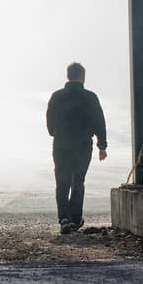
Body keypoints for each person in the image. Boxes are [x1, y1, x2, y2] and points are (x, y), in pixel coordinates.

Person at [46, 62, 107, 234]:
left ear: (68, 75)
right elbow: (99, 122)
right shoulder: (90, 97)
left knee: (62, 181)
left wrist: (54, 132)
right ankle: (75, 219)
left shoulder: (57, 96)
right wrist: (102, 146)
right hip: (82, 145)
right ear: (82, 76)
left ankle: (64, 218)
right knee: (78, 182)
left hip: (61, 144)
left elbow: (50, 120)